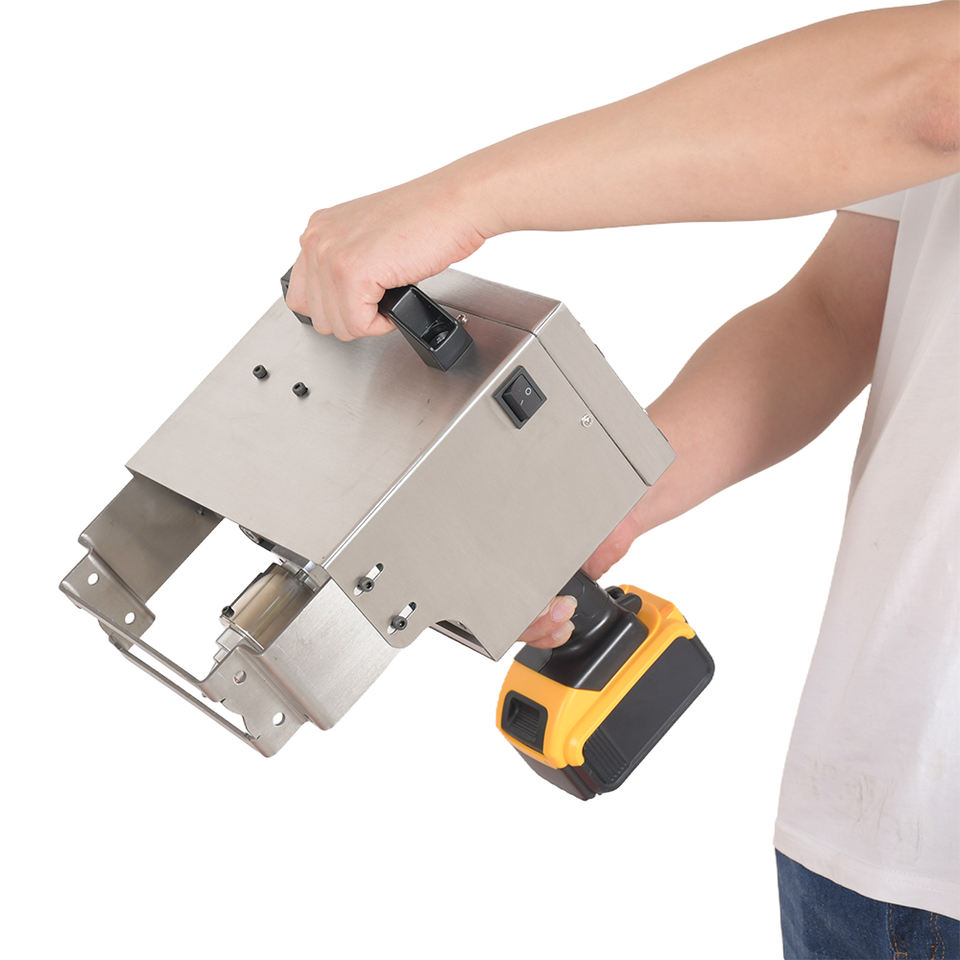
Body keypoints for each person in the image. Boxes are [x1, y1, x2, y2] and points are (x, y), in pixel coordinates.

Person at [284, 3, 960, 956]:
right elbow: (842, 309)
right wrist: (605, 501)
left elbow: (935, 93)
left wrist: (465, 200)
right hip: (864, 829)